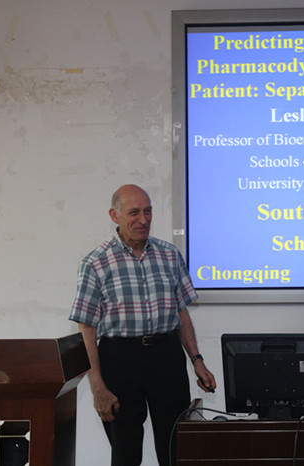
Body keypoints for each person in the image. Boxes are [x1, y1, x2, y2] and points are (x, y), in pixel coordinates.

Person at [69, 184, 216, 466]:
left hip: (167, 357)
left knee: (175, 448)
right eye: (134, 212)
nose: (143, 219)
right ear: (114, 215)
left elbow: (181, 313)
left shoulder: (169, 255)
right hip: (119, 360)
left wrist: (197, 361)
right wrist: (98, 386)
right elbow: (86, 329)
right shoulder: (95, 263)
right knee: (125, 452)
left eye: (148, 211)